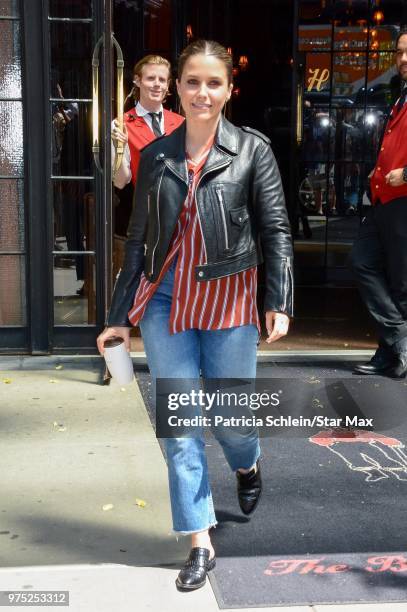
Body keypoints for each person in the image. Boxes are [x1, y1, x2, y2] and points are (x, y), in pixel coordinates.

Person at [97, 39, 293, 591]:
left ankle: (247, 464)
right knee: (179, 426)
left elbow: (276, 229)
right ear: (177, 87)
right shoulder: (157, 153)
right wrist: (119, 315)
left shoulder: (252, 151)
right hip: (164, 303)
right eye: (191, 82)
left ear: (229, 89)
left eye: (213, 83)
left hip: (230, 300)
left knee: (231, 420)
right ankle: (199, 540)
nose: (201, 93)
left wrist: (277, 301)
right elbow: (137, 241)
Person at [351, 28, 407, 378]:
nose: (403, 60)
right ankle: (399, 339)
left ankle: (392, 354)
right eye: (400, 52)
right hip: (385, 200)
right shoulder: (401, 95)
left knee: (402, 283)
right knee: (363, 262)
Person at [111, 54, 184, 189]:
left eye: (162, 80)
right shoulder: (121, 124)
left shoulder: (182, 123)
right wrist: (119, 149)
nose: (157, 84)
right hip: (147, 205)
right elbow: (120, 183)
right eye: (151, 78)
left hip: (182, 207)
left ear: (167, 85)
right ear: (138, 81)